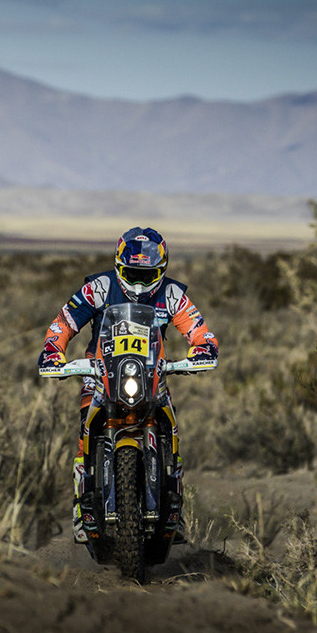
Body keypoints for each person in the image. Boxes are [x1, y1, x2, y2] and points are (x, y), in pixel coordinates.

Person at [38, 226, 218, 544]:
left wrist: (203, 348)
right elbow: (64, 322)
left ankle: (174, 510)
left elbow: (198, 328)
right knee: (86, 431)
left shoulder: (172, 294)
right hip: (101, 373)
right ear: (120, 267)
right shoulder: (99, 288)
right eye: (132, 273)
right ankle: (82, 509)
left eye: (146, 276)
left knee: (170, 430)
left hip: (151, 374)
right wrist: (53, 349)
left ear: (160, 271)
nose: (137, 282)